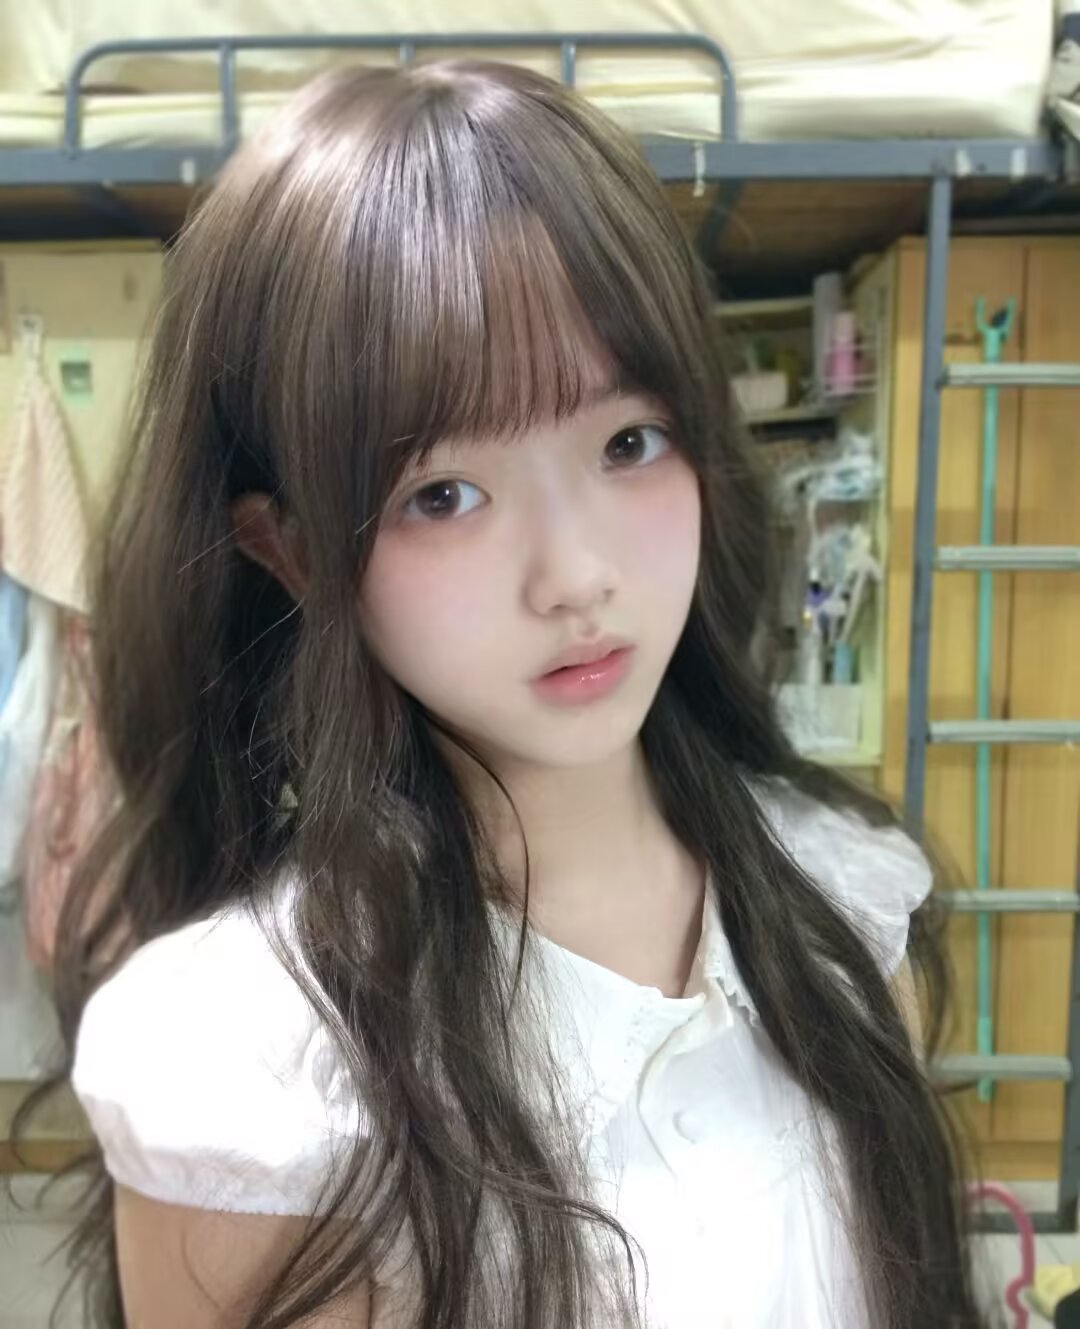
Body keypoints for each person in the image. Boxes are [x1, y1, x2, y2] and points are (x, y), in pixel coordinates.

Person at [29, 60, 982, 1329]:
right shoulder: (243, 1058)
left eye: (628, 442)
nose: (577, 576)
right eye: (444, 494)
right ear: (290, 549)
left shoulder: (842, 907)